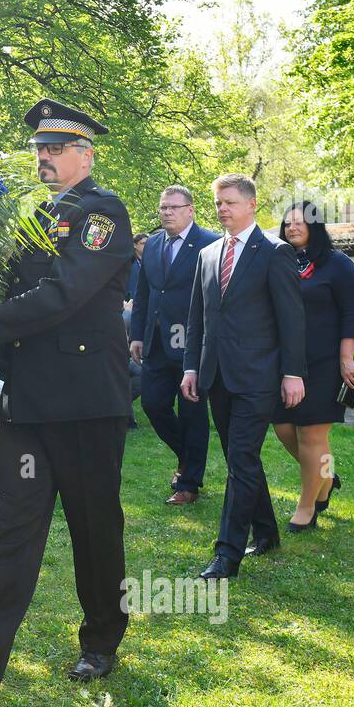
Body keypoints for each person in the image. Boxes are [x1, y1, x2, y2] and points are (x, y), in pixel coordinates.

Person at [0, 98, 134, 702]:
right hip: (30, 402)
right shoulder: (31, 218)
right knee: (11, 529)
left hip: (87, 402)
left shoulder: (102, 214)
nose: (42, 157)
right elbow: (5, 289)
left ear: (83, 156)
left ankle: (101, 641)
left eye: (54, 149)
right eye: (38, 148)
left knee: (95, 529)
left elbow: (66, 292)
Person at [181, 173, 306, 579]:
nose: (222, 209)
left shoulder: (274, 252)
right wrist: (191, 366)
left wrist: (292, 374)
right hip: (216, 375)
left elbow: (292, 320)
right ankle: (267, 531)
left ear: (252, 204)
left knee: (241, 458)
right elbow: (198, 318)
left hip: (259, 376)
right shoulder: (208, 253)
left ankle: (227, 553)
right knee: (241, 458)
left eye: (230, 202)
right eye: (218, 202)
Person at [270, 202, 354, 532]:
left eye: (299, 223)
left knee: (311, 433)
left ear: (315, 226)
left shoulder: (336, 265)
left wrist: (346, 357)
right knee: (283, 427)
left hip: (325, 363)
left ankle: (308, 505)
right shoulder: (280, 260)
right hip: (285, 361)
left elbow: (353, 313)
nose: (291, 228)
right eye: (287, 223)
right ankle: (327, 476)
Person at [130, 185, 220, 505]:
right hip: (156, 344)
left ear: (190, 209)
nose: (167, 212)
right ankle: (186, 457)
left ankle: (189, 484)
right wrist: (137, 335)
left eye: (173, 207)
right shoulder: (152, 245)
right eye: (163, 207)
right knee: (153, 404)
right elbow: (144, 294)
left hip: (193, 346)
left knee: (192, 413)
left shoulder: (210, 243)